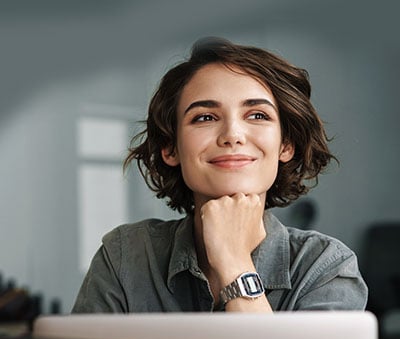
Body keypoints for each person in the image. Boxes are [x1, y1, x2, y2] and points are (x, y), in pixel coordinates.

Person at [72, 37, 367, 314]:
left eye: (257, 115)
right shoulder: (124, 256)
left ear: (286, 145)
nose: (232, 135)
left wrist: (234, 262)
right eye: (205, 117)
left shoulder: (326, 267)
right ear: (170, 148)